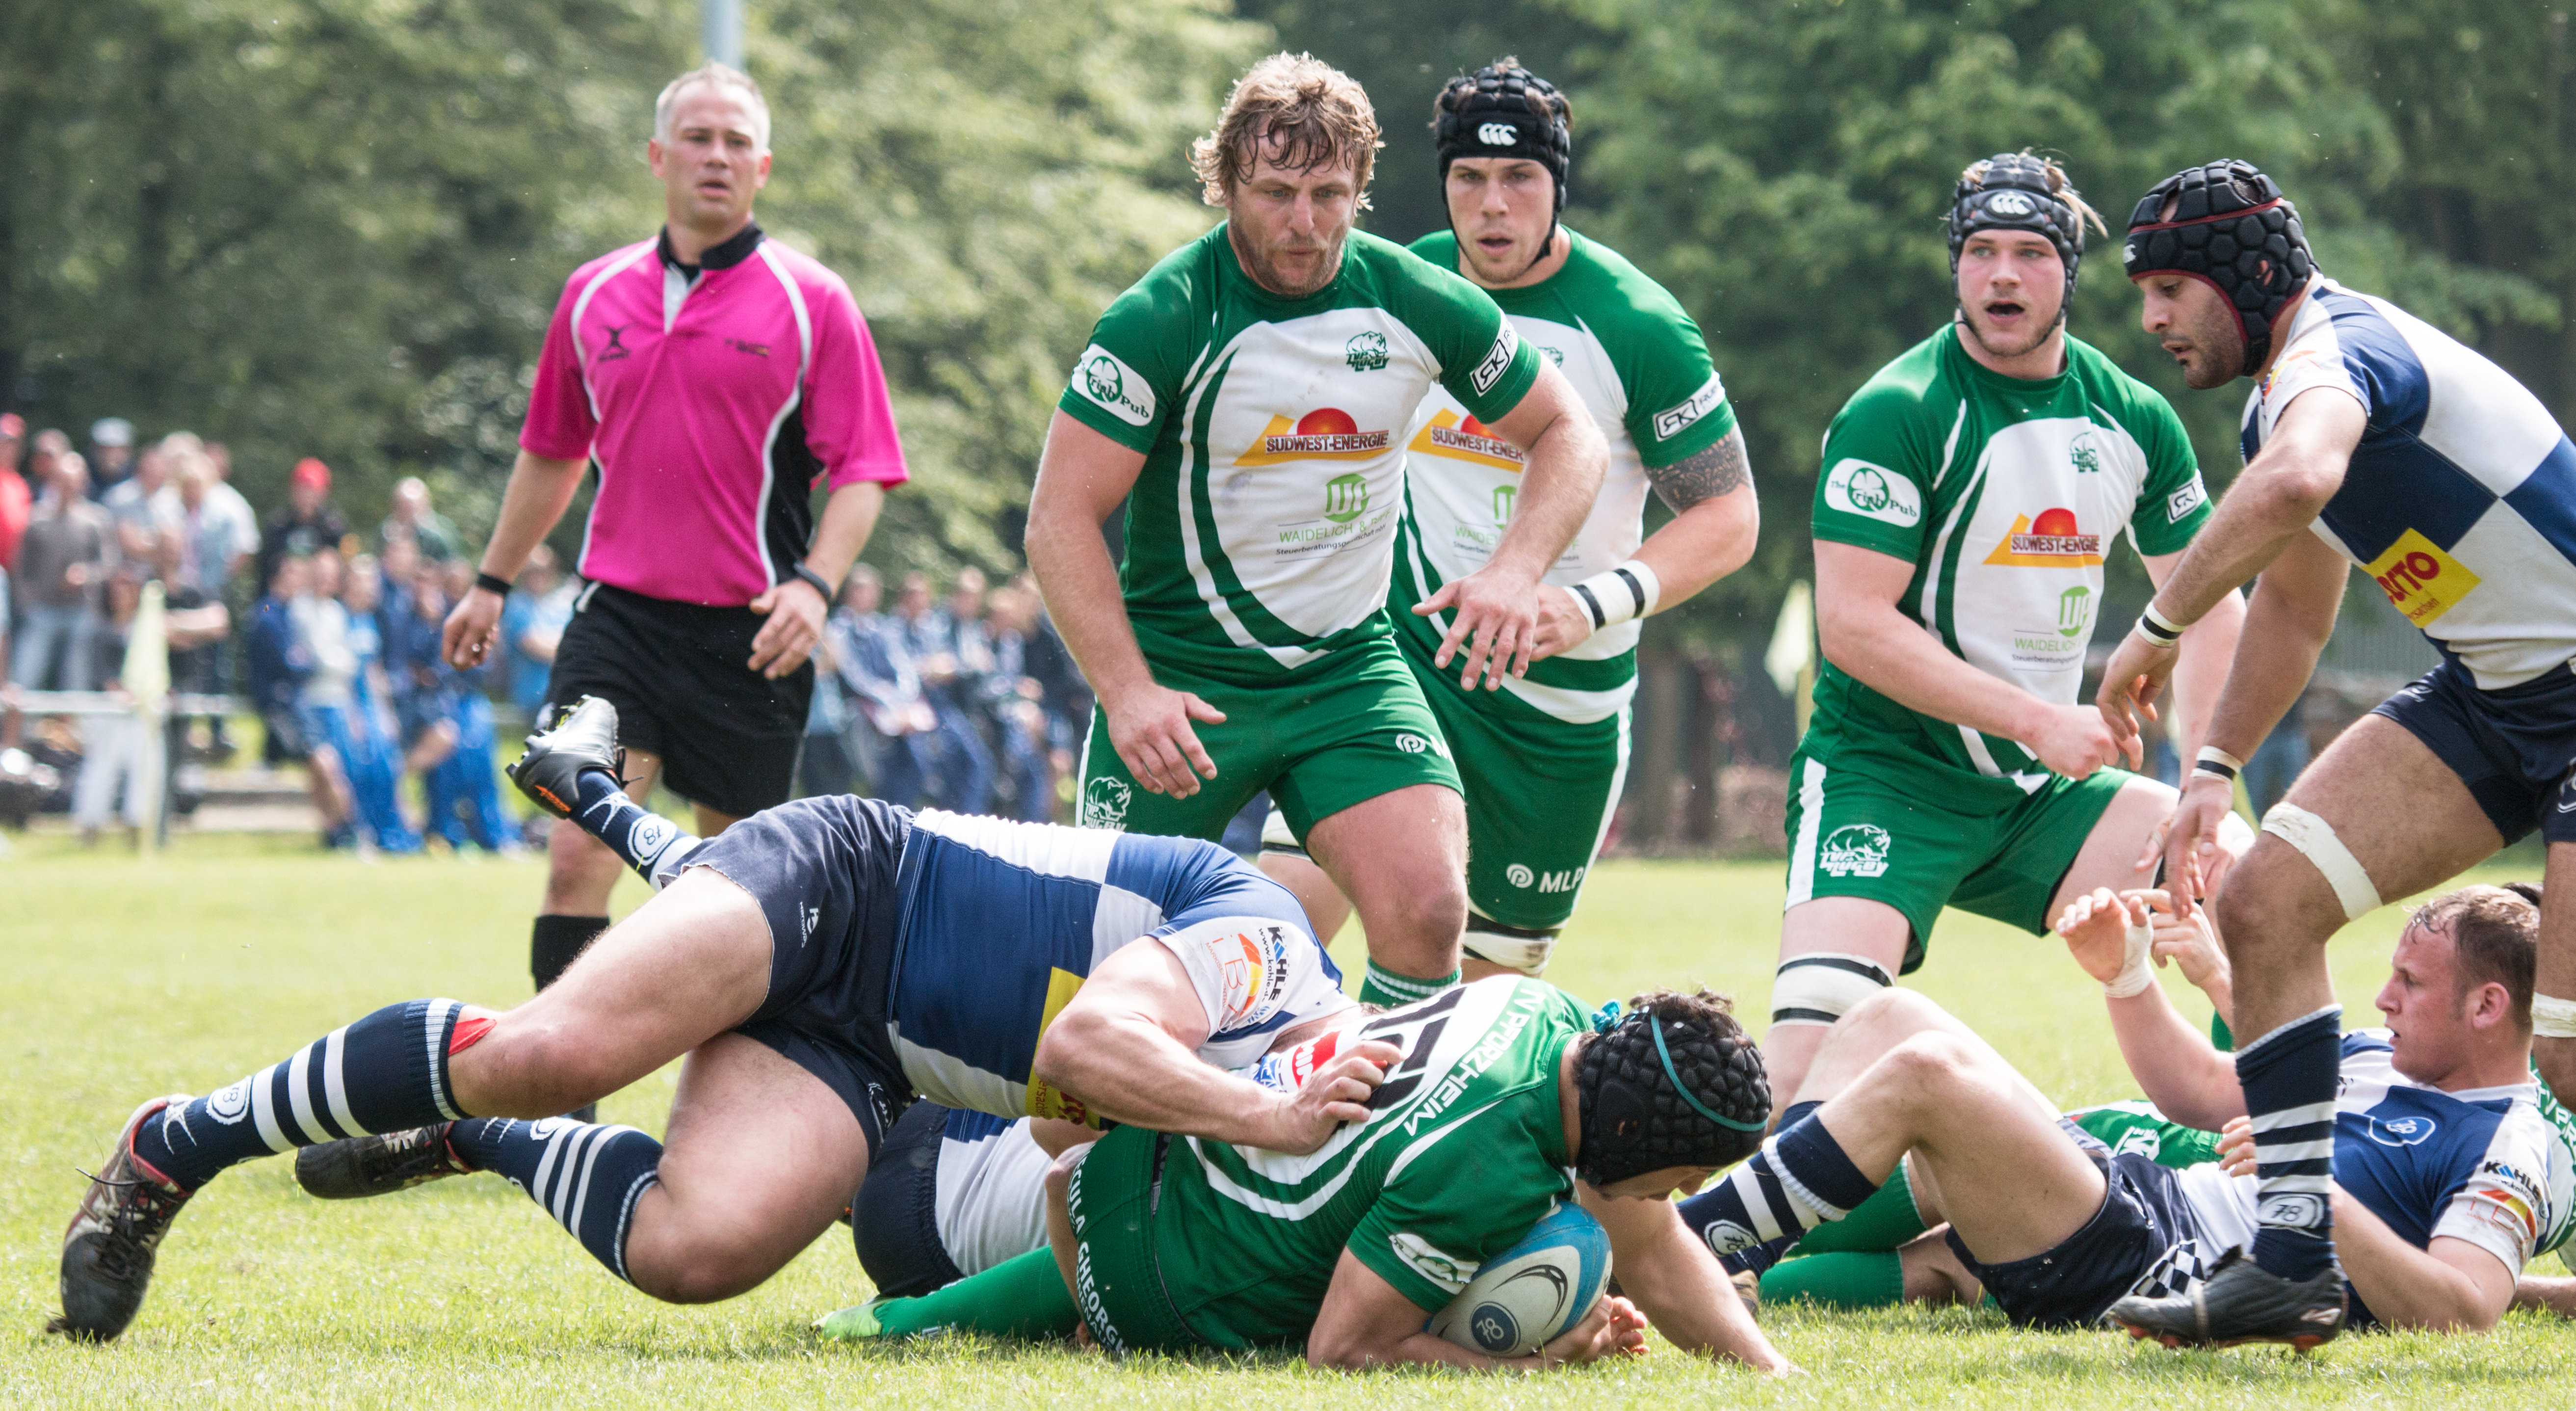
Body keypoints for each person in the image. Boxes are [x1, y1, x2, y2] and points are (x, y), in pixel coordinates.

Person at [51, 694, 1379, 1343]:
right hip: (857, 878)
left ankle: (486, 1140)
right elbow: (1084, 1047)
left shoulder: (1259, 1130)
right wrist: (1258, 1114)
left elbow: (1050, 1143)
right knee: (550, 1052)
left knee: (702, 1249)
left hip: (867, 1049)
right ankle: (177, 1140)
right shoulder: (1274, 950)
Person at [2094, 158, 2576, 1342]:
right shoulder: (2283, 398)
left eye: (2172, 290)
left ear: (2247, 281)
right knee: (2265, 904)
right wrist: (2214, 767)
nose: (2153, 319)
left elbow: (2300, 481)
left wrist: (2154, 631)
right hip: (2496, 697)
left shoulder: (2333, 356)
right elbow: (2298, 607)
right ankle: (2292, 1261)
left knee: (2566, 1052)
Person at [1026, 53, 1609, 1009]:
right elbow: (1059, 519)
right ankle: (1085, 1119)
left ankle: (1377, 1110)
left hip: (1347, 674)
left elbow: (1569, 432)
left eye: (1330, 194)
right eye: (1277, 193)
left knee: (1430, 910)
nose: (1305, 223)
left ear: (1361, 187)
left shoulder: (1413, 296)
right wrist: (1127, 693)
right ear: (1226, 184)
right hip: (1182, 681)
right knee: (1094, 970)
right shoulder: (1161, 316)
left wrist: (1517, 568)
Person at [1756, 152, 2251, 1106]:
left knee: (2249, 883)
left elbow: (2211, 605)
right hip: (1886, 776)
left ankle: (2265, 1158)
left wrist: (2205, 781)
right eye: (1981, 251)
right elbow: (1851, 626)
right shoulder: (1897, 411)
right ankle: (1724, 1214)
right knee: (1809, 1058)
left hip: (2038, 794)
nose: (2003, 276)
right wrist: (2037, 720)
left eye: (2031, 253)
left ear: (2070, 270)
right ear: (1957, 266)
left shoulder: (2134, 419)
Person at [1257, 62, 1758, 974]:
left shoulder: (1636, 323)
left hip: (1558, 714)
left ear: (1558, 185)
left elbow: (1729, 517)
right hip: (1403, 663)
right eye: (1469, 178)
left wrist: (1589, 605)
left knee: (1469, 1010)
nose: (1492, 205)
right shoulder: (1402, 284)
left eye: (1520, 176)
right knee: (1273, 930)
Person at [438, 63, 909, 1015]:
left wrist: (815, 586)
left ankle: (725, 1100)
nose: (716, 157)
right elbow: (551, 452)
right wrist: (491, 581)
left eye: (737, 142)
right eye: (698, 138)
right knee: (578, 853)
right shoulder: (592, 293)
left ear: (763, 167)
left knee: (733, 897)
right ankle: (558, 1088)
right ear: (659, 156)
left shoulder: (814, 299)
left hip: (753, 635)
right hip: (619, 622)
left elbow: (865, 470)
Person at [1677, 883, 2572, 1342]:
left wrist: (2314, 1193)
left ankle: (1686, 1246)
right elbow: (2201, 1090)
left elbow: (2464, 1311)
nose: (2383, 997)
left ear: (2487, 1006)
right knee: (1892, 1016)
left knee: (1928, 1075)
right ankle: (1730, 1246)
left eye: (2410, 982)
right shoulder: (2375, 1055)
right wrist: (2129, 977)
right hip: (2142, 1200)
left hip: (2160, 1262)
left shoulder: (2509, 1143)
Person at [827, 981, 1791, 1374]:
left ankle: (889, 1317)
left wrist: (1768, 1375)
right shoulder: (1486, 1167)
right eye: (1683, 1173)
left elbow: (1650, 1241)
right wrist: (1533, 1368)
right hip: (1153, 1275)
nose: (1674, 1194)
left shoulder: (1546, 1014)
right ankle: (923, 1315)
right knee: (1515, 1252)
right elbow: (1345, 1350)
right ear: (1628, 1127)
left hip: (1142, 1169)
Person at [827, 566, 935, 804]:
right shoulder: (838, 629)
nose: (866, 595)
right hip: (859, 712)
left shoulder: (881, 627)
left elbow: (902, 665)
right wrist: (886, 698)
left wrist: (903, 698)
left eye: (871, 590)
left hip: (894, 710)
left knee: (917, 763)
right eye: (860, 589)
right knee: (878, 777)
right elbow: (853, 675)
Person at [13, 449, 115, 691]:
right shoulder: (37, 519)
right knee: (24, 679)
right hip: (41, 611)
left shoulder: (96, 520)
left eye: (74, 480)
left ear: (83, 482)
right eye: (63, 480)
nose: (69, 486)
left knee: (75, 682)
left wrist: (86, 575)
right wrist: (27, 602)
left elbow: (110, 565)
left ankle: (72, 718)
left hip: (81, 611)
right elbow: (21, 568)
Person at [499, 544, 577, 722]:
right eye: (533, 571)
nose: (539, 577)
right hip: (533, 696)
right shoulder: (517, 606)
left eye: (544, 571)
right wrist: (568, 648)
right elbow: (534, 645)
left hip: (562, 693)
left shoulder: (558, 605)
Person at [254, 458, 352, 591]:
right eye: (302, 489)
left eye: (312, 490)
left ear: (324, 493)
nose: (307, 496)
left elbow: (346, 567)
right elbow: (265, 567)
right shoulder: (278, 525)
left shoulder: (334, 528)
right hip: (283, 594)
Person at [379, 477, 460, 562]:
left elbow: (453, 564)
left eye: (412, 507)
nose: (408, 512)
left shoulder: (440, 534)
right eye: (403, 506)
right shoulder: (385, 532)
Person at [0, 413, 30, 573]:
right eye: (5, 443)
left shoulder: (20, 484)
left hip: (15, 571)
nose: (9, 449)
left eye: (14, 444)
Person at [85, 418, 134, 500]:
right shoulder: (84, 479)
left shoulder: (138, 479)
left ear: (128, 451)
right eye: (105, 449)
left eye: (116, 449)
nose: (110, 455)